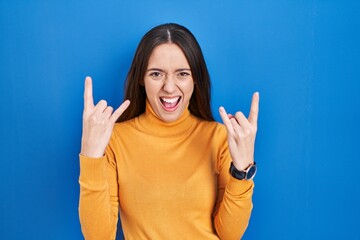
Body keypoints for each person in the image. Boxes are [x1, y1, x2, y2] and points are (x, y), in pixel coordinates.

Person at [78, 23, 259, 240]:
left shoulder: (218, 138)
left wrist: (242, 171)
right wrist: (90, 156)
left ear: (195, 79)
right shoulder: (114, 139)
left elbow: (230, 234)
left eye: (182, 74)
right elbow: (98, 236)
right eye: (156, 74)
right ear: (141, 79)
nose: (170, 88)